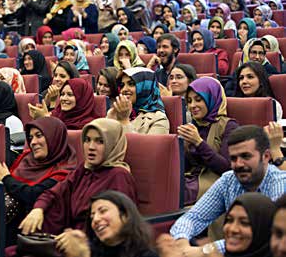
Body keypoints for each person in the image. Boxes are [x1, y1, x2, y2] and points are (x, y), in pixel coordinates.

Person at [170, 125, 286, 255]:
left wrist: (205, 251)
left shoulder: (280, 183)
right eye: (233, 158)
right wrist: (181, 245)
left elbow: (264, 236)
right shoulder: (229, 179)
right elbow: (193, 217)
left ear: (266, 156)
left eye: (246, 156)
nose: (239, 164)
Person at [19, 118, 139, 236]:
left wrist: (76, 239)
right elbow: (54, 193)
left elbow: (117, 227)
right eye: (87, 140)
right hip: (66, 237)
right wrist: (38, 209)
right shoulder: (84, 169)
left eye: (100, 141)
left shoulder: (119, 176)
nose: (91, 147)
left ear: (113, 144)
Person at [0, 117, 78, 246]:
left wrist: (5, 178)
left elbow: (33, 194)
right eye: (30, 138)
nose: (33, 142)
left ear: (54, 137)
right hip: (5, 223)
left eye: (39, 136)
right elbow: (10, 183)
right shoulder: (26, 158)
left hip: (32, 233)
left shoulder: (65, 170)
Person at [180, 77, 239, 204]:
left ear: (212, 99)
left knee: (176, 193)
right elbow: (185, 166)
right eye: (189, 101)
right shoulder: (193, 126)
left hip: (214, 181)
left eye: (198, 100)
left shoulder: (228, 126)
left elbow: (226, 168)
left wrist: (198, 142)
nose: (192, 106)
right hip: (191, 178)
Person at [56, 190, 158, 257]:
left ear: (125, 216)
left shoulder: (145, 254)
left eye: (103, 211)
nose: (95, 220)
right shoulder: (91, 250)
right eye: (92, 217)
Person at [107, 67, 169, 135]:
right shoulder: (118, 112)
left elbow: (144, 145)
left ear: (146, 86)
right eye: (122, 85)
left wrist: (124, 121)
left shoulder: (159, 119)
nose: (124, 89)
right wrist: (109, 119)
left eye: (131, 84)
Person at [29, 78, 97, 130]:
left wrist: (47, 120)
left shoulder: (89, 124)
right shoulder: (57, 114)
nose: (64, 98)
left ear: (82, 99)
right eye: (62, 94)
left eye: (70, 95)